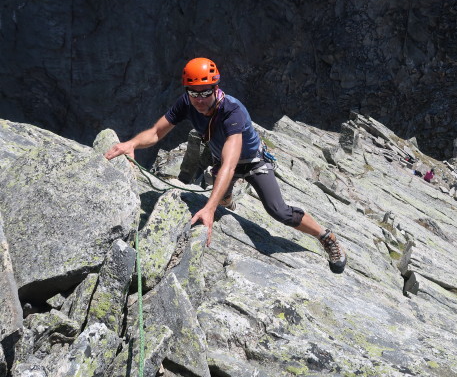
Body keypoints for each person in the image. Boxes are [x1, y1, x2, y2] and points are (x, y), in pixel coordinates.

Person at [105, 57, 347, 274]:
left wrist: (209, 208)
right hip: (222, 160)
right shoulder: (186, 102)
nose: (199, 99)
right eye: (194, 93)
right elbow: (157, 132)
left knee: (278, 210)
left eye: (205, 92)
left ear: (215, 88)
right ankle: (227, 198)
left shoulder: (233, 111)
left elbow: (231, 164)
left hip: (252, 162)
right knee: (221, 197)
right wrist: (132, 143)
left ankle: (326, 237)